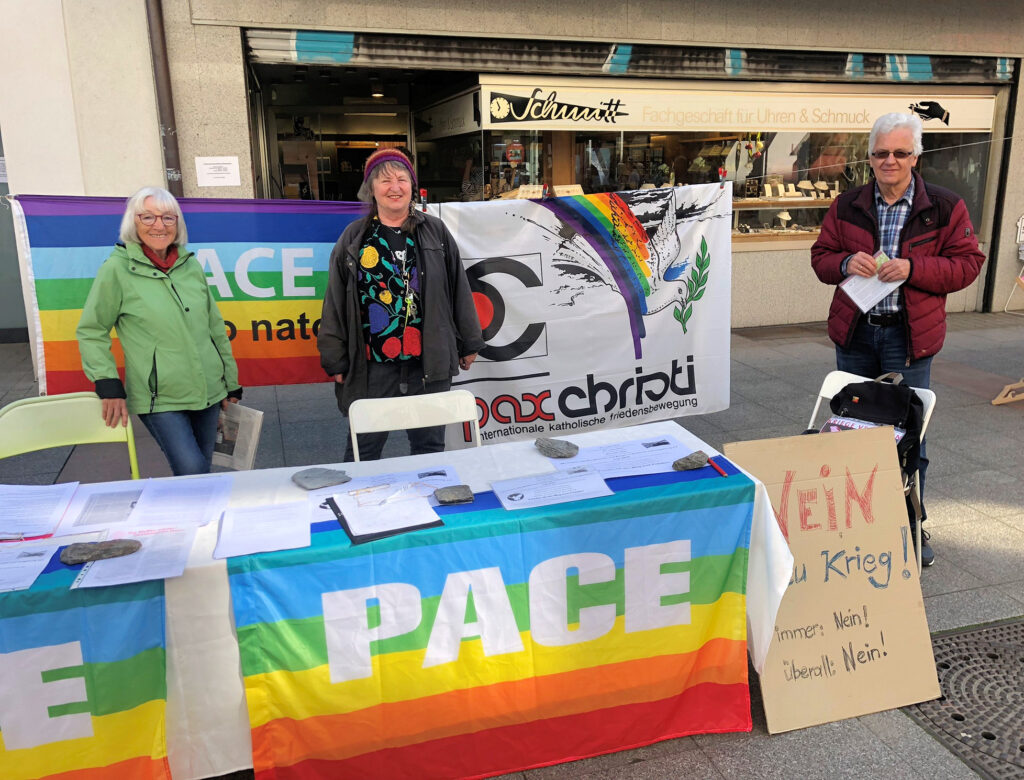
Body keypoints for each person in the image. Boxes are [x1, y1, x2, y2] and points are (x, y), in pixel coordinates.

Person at [811, 112, 985, 567]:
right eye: (882, 152)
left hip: (908, 340)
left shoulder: (945, 206)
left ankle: (910, 525)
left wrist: (913, 268)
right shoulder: (846, 204)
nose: (890, 160)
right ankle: (854, 525)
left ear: (916, 157)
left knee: (908, 437)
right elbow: (821, 257)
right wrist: (845, 262)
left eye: (901, 153)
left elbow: (968, 265)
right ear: (870, 157)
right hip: (855, 335)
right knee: (850, 431)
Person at [318, 148, 484, 461]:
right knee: (363, 450)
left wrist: (469, 341)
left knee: (429, 448)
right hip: (373, 365)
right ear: (370, 189)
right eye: (385, 181)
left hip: (428, 360)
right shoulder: (354, 237)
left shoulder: (435, 231)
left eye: (402, 179)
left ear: (412, 185)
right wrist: (334, 358)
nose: (395, 187)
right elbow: (335, 301)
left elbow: (458, 287)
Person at [76, 186, 242, 476]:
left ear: (177, 223)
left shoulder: (190, 266)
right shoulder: (116, 270)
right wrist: (106, 382)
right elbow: (92, 330)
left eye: (167, 217)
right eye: (148, 217)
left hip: (209, 389)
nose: (159, 225)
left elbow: (214, 328)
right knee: (191, 469)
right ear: (133, 222)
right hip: (159, 397)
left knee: (202, 470)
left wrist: (230, 382)